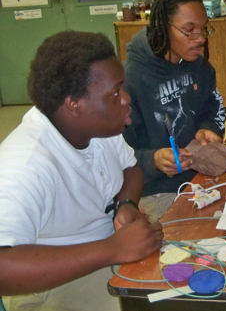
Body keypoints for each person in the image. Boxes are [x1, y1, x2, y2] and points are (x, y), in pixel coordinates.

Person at [0, 31, 164, 310]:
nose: (126, 99)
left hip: (107, 247)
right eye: (115, 93)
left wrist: (125, 204)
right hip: (54, 280)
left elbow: (131, 168)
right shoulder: (24, 166)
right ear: (73, 105)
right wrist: (112, 249)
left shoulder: (102, 126)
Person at [123, 0, 226, 222]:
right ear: (161, 26)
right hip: (156, 189)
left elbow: (213, 108)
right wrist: (153, 160)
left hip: (200, 176)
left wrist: (208, 129)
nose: (200, 38)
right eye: (189, 30)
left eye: (204, 29)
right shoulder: (131, 80)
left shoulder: (200, 68)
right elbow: (115, 154)